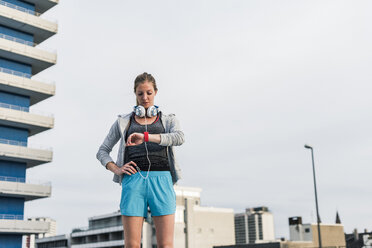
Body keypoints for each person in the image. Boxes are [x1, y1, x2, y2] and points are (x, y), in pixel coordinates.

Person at [96, 72, 185, 248]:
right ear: (135, 94)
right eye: (140, 93)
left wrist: (146, 137)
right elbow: (102, 151)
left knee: (166, 245)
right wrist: (117, 169)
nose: (145, 98)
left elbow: (179, 138)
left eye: (149, 93)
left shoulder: (168, 120)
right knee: (132, 245)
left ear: (155, 92)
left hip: (162, 180)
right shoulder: (124, 122)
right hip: (133, 181)